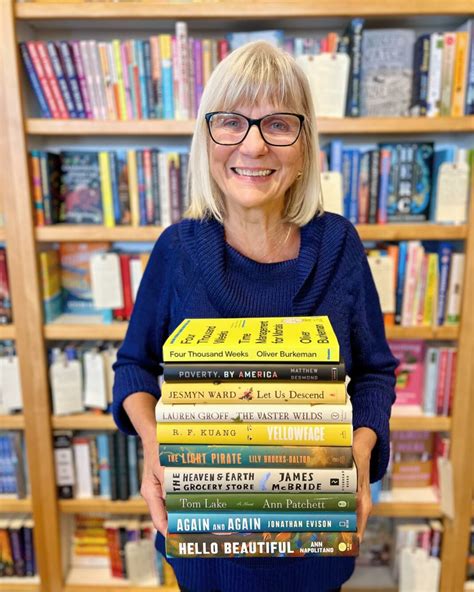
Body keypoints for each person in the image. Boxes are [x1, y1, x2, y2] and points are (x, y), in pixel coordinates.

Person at [113, 41, 398, 592]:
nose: (253, 144)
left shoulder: (339, 244)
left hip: (315, 543)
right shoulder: (176, 249)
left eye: (278, 124)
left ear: (304, 141)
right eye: (231, 122)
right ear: (207, 135)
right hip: (202, 546)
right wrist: (153, 444)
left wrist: (361, 454)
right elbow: (134, 367)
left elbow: (374, 373)